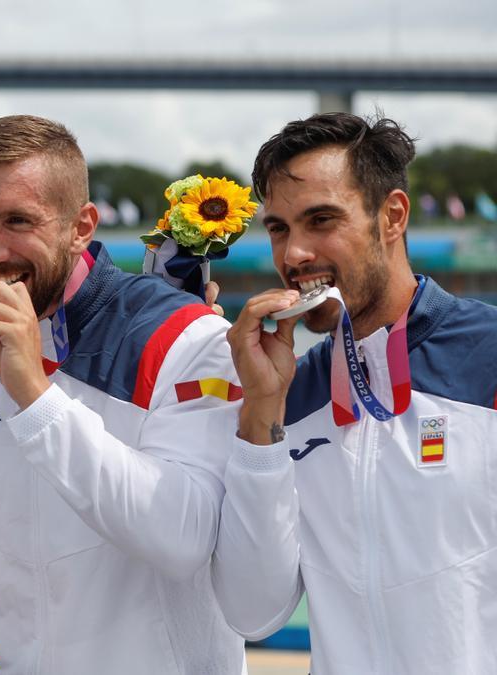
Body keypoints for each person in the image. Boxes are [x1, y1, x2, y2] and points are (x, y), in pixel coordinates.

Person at [0, 114, 246, 673]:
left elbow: (185, 538)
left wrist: (34, 395)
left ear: (81, 226)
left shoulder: (185, 335)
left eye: (17, 220)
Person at [214, 111, 497, 674]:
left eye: (321, 220)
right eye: (278, 228)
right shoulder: (289, 392)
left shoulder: (487, 355)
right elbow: (254, 613)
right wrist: (262, 419)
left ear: (391, 216)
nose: (294, 254)